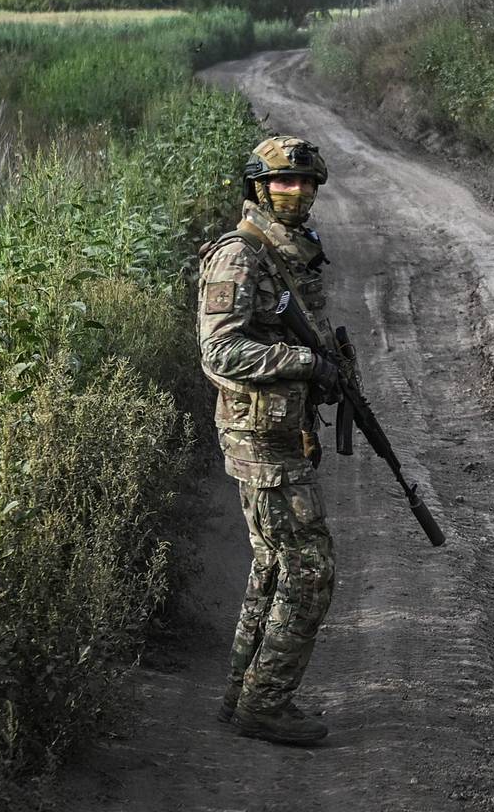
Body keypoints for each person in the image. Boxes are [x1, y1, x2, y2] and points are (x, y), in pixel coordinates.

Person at [196, 134, 346, 746]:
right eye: (284, 182)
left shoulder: (291, 252)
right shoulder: (241, 256)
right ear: (259, 187)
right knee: (312, 569)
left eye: (306, 183)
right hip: (260, 435)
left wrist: (327, 372)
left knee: (273, 564)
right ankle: (268, 700)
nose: (298, 192)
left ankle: (243, 695)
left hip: (282, 431)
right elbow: (220, 351)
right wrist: (305, 364)